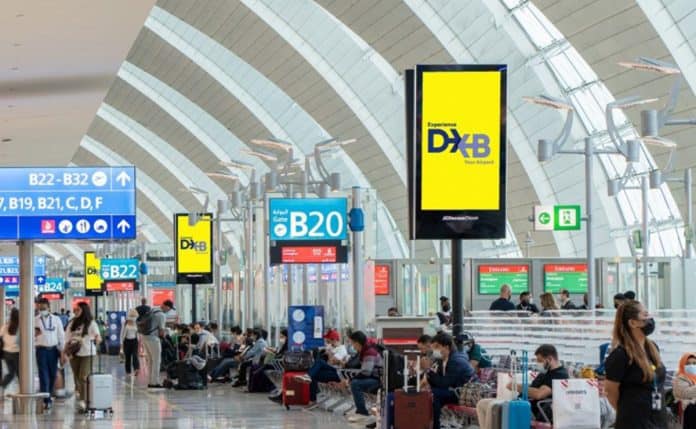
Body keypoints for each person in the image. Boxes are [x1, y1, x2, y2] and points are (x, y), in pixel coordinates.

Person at [605, 300, 666, 429]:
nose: (650, 319)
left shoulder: (653, 348)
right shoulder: (620, 355)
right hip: (634, 421)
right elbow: (611, 392)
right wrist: (627, 410)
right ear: (632, 323)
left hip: (657, 418)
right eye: (645, 315)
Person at [426, 332, 474, 429]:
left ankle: (435, 426)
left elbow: (444, 383)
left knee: (433, 395)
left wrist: (429, 371)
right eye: (433, 348)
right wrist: (429, 373)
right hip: (453, 390)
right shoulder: (441, 360)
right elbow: (438, 382)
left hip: (464, 393)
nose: (434, 351)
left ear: (447, 347)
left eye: (437, 347)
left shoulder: (456, 361)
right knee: (429, 394)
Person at [64, 302, 101, 411]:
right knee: (77, 377)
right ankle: (82, 395)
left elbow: (98, 336)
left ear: (84, 310)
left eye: (78, 310)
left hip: (87, 353)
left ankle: (83, 400)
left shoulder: (91, 323)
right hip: (74, 353)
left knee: (83, 376)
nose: (75, 312)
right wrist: (64, 352)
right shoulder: (72, 323)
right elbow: (67, 338)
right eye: (74, 310)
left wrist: (97, 339)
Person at [294, 329, 347, 404]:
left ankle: (307, 376)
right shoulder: (331, 347)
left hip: (337, 372)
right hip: (328, 371)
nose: (327, 342)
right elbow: (320, 350)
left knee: (319, 362)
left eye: (328, 340)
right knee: (313, 374)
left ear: (334, 339)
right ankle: (312, 400)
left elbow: (331, 362)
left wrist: (329, 353)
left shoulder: (341, 349)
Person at [346, 331, 383, 425]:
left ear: (358, 342)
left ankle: (362, 412)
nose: (353, 346)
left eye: (353, 343)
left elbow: (366, 372)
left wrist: (351, 379)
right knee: (355, 382)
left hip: (378, 380)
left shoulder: (369, 352)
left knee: (355, 384)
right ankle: (361, 411)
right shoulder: (365, 351)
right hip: (374, 377)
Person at [35, 298, 65, 410]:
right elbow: (31, 336)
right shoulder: (35, 320)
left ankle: (49, 394)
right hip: (41, 350)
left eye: (44, 308)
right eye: (40, 308)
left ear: (48, 307)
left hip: (53, 350)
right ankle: (46, 400)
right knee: (43, 375)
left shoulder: (56, 320)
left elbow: (61, 336)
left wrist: (62, 351)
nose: (42, 310)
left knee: (53, 374)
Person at [139, 301, 166, 389]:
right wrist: (164, 336)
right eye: (169, 308)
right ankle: (155, 382)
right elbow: (161, 330)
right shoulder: (161, 315)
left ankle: (150, 381)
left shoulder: (152, 310)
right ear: (166, 306)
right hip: (153, 339)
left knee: (150, 360)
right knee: (157, 360)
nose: (168, 310)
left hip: (144, 337)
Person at [674, 352, 696, 428]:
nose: (691, 366)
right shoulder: (679, 377)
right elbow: (685, 393)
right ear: (683, 364)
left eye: (694, 363)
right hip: (687, 409)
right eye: (688, 363)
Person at [0, 308, 20, 392]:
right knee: (20, 373)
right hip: (17, 353)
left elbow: (0, 336)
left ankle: (2, 387)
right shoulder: (21, 327)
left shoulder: (6, 326)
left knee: (11, 373)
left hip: (7, 353)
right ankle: (22, 389)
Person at [120, 308, 140, 378]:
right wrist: (121, 345)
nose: (133, 318)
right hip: (127, 341)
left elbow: (138, 333)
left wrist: (139, 343)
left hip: (135, 341)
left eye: (135, 317)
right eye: (132, 316)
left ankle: (136, 369)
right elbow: (122, 334)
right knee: (128, 357)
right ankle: (128, 371)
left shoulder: (136, 323)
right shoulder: (125, 323)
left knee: (135, 355)